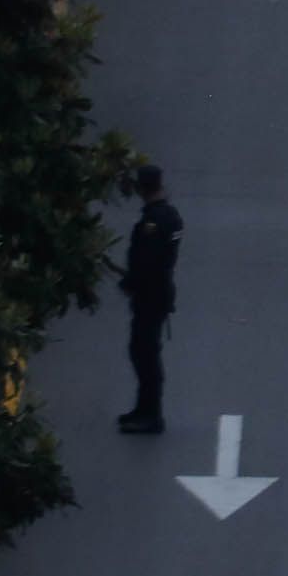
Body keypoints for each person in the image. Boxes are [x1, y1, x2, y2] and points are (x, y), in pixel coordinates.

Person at [118, 162, 183, 433]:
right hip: (159, 293)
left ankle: (151, 414)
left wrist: (130, 282)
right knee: (144, 351)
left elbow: (148, 261)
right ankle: (143, 408)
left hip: (150, 295)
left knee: (144, 353)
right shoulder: (171, 215)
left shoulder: (153, 222)